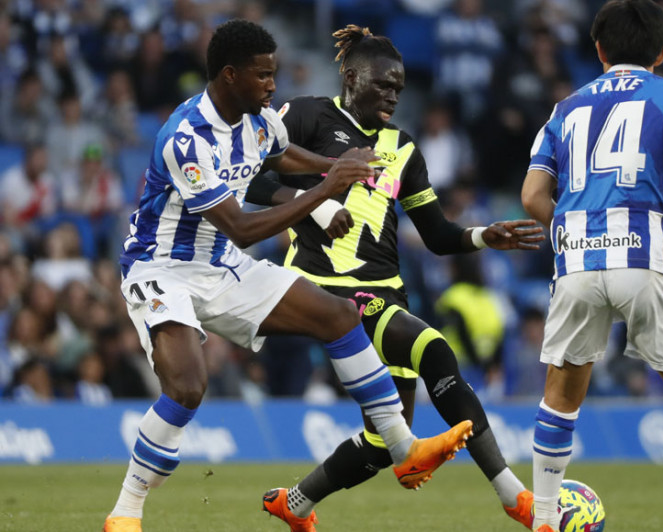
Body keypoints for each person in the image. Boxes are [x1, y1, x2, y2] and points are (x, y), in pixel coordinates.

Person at [101, 19, 473, 532]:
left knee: (339, 316)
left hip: (221, 266)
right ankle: (126, 509)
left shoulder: (256, 119)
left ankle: (404, 448)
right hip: (162, 268)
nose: (273, 85)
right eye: (263, 75)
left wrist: (335, 165)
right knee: (187, 387)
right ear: (230, 76)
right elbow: (241, 226)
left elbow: (280, 154)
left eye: (274, 74)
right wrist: (323, 192)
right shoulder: (186, 138)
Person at [245, 24, 544, 532]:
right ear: (352, 75)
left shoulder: (403, 149)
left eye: (399, 88)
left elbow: (437, 234)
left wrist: (481, 237)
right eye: (383, 84)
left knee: (387, 440)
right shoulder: (307, 114)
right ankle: (516, 498)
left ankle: (293, 503)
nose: (392, 95)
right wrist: (311, 209)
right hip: (326, 287)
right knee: (435, 350)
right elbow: (248, 172)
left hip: (387, 292)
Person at [520, 2, 663, 531]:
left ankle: (542, 519)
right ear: (661, 51)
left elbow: (533, 193)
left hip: (578, 261)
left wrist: (571, 226)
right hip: (645, 252)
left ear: (600, 50)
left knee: (560, 395)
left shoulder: (565, 108)